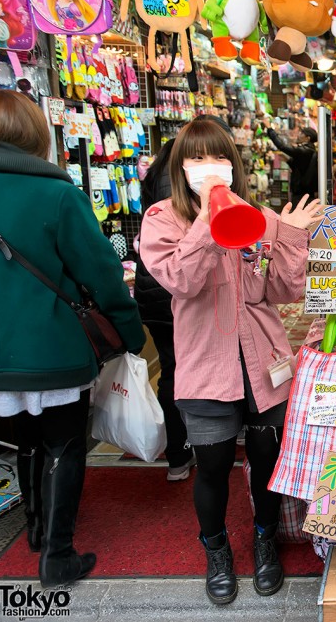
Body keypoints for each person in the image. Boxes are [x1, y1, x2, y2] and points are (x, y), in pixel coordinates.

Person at [140, 118, 325, 605]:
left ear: (233, 163)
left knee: (268, 460)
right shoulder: (162, 218)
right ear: (181, 168)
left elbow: (284, 289)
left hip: (263, 360)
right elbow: (181, 281)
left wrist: (288, 234)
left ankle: (266, 539)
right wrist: (209, 216)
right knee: (213, 466)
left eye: (217, 157)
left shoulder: (259, 216)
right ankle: (216, 548)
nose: (208, 167)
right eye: (196, 158)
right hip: (205, 365)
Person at [0, 90, 145, 587]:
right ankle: (57, 554)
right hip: (52, 347)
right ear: (37, 135)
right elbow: (102, 273)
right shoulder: (58, 195)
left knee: (24, 441)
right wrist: (127, 334)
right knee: (63, 443)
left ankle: (35, 529)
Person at [135, 137, 196, 482]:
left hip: (151, 292)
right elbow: (180, 263)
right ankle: (189, 446)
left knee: (172, 370)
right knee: (184, 370)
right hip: (173, 292)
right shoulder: (176, 188)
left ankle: (177, 454)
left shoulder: (155, 173)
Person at [263, 118, 318, 201]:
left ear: (308, 138)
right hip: (303, 191)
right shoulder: (309, 150)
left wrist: (270, 129)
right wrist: (288, 160)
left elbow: (282, 146)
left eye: (302, 133)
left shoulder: (305, 151)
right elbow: (301, 167)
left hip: (301, 192)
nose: (299, 135)